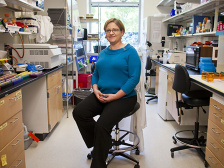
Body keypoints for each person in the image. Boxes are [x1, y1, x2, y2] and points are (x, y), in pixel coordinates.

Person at [73, 18, 141, 168]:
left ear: (122, 32)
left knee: (102, 125)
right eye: (108, 30)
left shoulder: (130, 52)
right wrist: (95, 89)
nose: (111, 33)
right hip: (102, 93)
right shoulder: (103, 52)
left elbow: (134, 78)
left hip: (124, 97)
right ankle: (102, 142)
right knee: (79, 112)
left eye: (115, 30)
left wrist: (116, 96)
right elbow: (96, 73)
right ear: (105, 34)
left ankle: (98, 162)